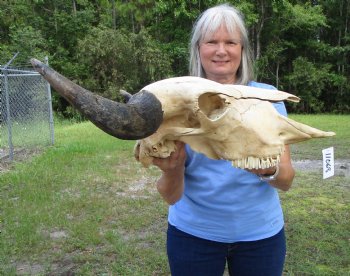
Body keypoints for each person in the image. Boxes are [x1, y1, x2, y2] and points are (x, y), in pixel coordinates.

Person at [153, 4, 295, 276]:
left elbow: (286, 179)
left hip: (260, 238)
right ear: (198, 48)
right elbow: (171, 196)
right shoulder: (176, 104)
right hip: (193, 236)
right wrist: (171, 170)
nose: (221, 50)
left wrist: (265, 168)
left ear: (242, 49)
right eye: (212, 42)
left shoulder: (267, 99)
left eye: (230, 42)